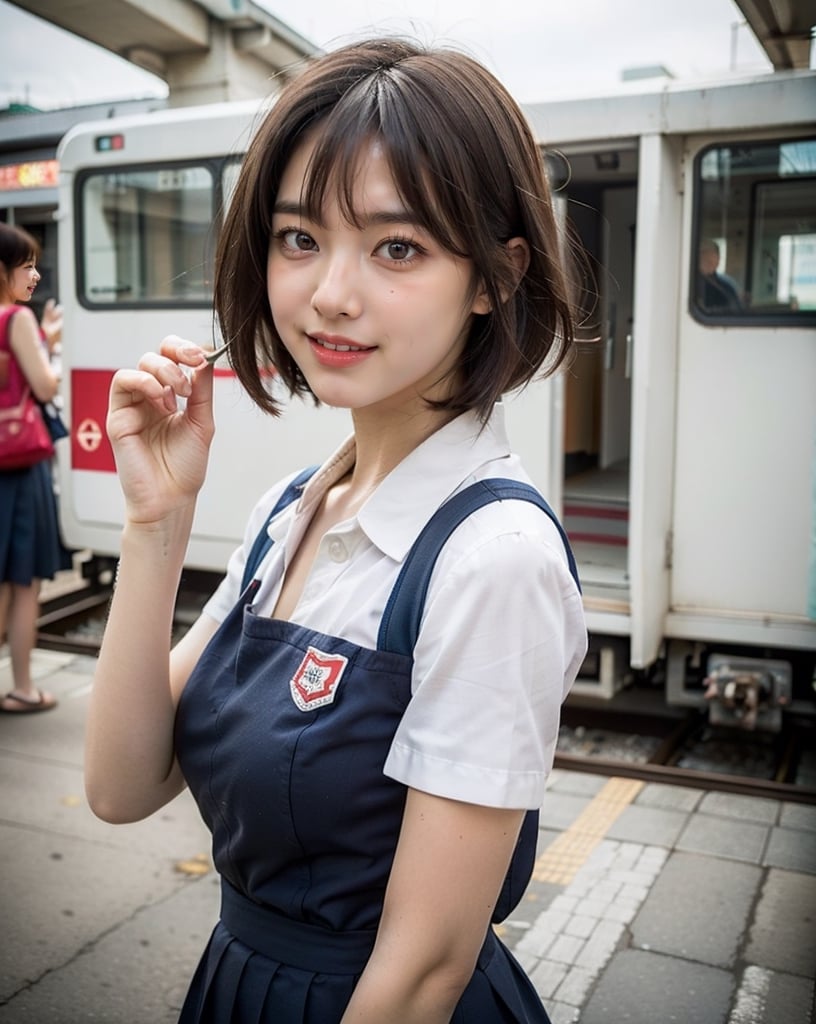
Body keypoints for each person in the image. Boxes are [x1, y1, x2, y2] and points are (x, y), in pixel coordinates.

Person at [85, 38, 588, 1023]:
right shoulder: (295, 505)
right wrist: (157, 522)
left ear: (494, 275)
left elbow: (422, 973)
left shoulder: (493, 560)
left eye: (397, 247)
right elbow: (119, 784)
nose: (328, 295)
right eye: (299, 237)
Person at [0, 223, 62, 714]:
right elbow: (44, 387)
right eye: (26, 266)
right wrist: (54, 354)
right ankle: (22, 687)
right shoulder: (13, 319)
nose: (35, 275)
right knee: (23, 583)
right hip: (19, 468)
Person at [697, 239, 743, 313]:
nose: (709, 259)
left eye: (713, 256)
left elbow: (736, 311)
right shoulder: (689, 283)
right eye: (704, 254)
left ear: (718, 260)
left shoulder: (728, 283)